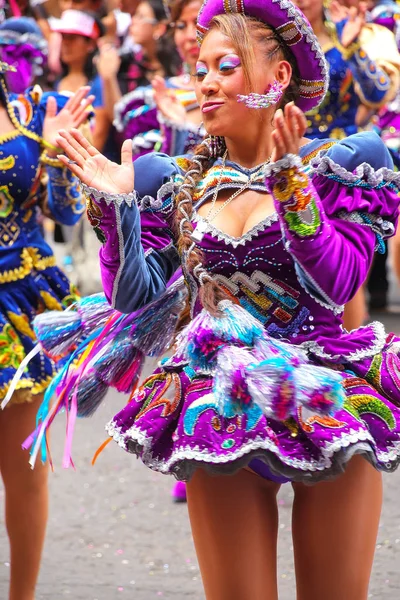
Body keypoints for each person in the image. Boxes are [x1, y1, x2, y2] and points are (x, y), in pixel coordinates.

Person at [31, 0, 400, 598]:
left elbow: (338, 283)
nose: (204, 81)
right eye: (199, 68)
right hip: (220, 402)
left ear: (278, 78)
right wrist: (119, 211)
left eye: (225, 66)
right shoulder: (175, 181)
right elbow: (134, 295)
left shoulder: (343, 164)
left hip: (325, 396)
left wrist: (290, 187)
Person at [0, 58, 92, 600]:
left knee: (24, 469)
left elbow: (66, 213)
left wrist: (59, 157)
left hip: (21, 304)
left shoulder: (30, 113)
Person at [295, 0, 400, 329]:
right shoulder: (275, 46)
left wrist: (352, 45)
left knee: (344, 270)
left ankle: (350, 354)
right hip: (292, 156)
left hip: (342, 162)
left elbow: (379, 92)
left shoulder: (361, 34)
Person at [113, 0, 204, 159]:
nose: (190, 36)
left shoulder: (240, 91)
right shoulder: (152, 98)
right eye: (181, 26)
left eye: (199, 23)